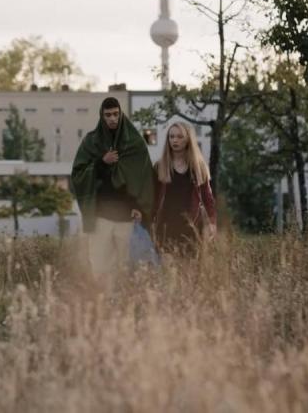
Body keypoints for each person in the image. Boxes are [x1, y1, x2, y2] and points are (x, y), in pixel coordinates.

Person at [72, 97, 156, 287]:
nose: (112, 118)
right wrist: (102, 162)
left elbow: (144, 178)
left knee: (127, 267)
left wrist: (138, 206)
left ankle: (127, 308)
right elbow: (78, 174)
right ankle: (106, 308)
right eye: (108, 115)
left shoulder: (134, 142)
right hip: (101, 216)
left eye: (116, 114)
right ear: (102, 116)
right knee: (100, 268)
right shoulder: (91, 142)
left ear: (121, 114)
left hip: (128, 218)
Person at [153, 122, 217, 255]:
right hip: (166, 227)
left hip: (191, 226)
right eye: (171, 137)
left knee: (190, 273)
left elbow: (208, 198)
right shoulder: (160, 166)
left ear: (188, 139)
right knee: (168, 272)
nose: (175, 140)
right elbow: (153, 197)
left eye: (179, 136)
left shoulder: (199, 167)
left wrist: (212, 222)